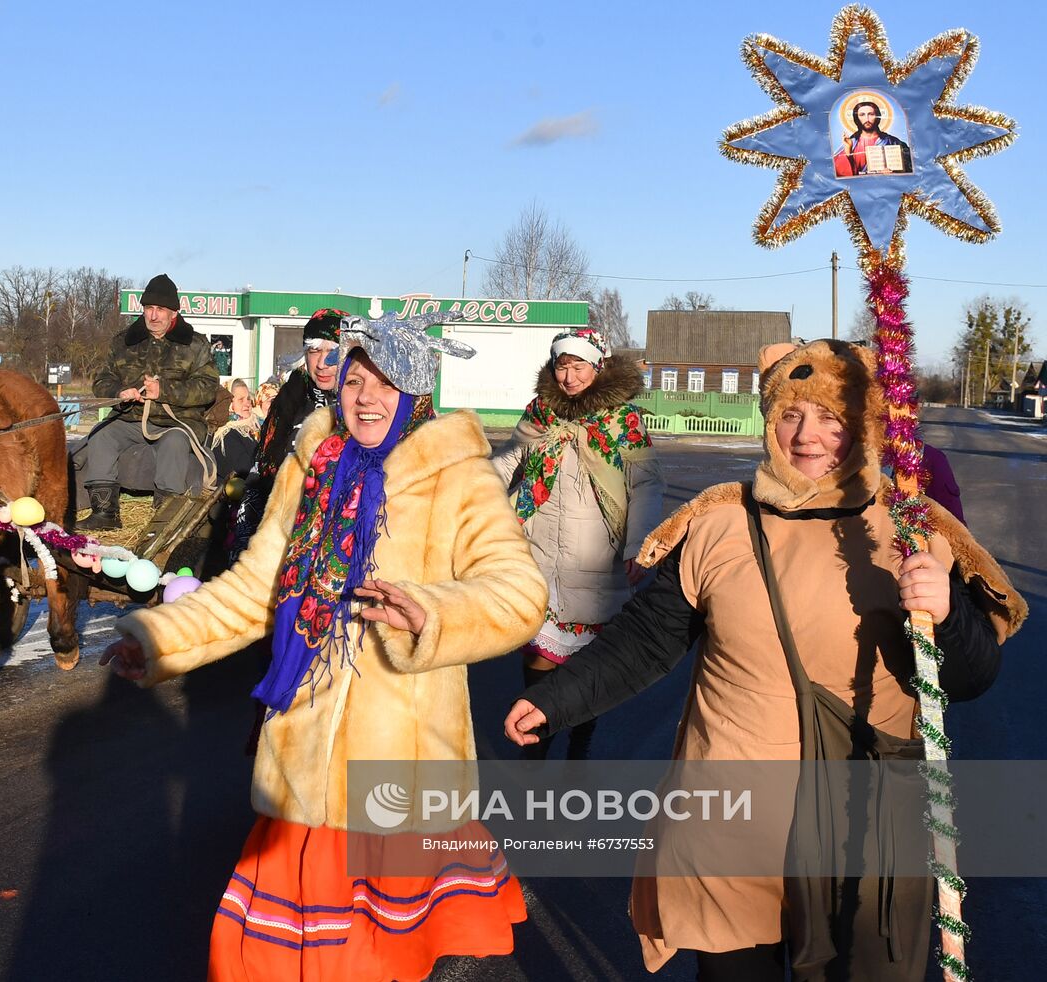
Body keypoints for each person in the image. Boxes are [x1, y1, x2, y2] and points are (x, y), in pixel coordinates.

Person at [504, 339, 1025, 980]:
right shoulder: (721, 524)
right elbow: (645, 640)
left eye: (832, 417)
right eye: (790, 414)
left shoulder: (913, 529)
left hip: (857, 827)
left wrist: (945, 613)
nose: (807, 436)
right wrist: (554, 698)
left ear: (864, 425)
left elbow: (973, 679)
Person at [102, 311, 548, 981]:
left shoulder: (457, 472)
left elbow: (518, 593)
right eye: (354, 377)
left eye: (385, 380)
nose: (365, 395)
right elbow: (258, 585)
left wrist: (431, 613)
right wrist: (158, 639)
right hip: (302, 759)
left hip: (399, 760)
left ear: (417, 391)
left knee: (378, 959)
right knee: (277, 961)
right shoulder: (314, 461)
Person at [490, 327, 665, 760]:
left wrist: (639, 546)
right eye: (562, 366)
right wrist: (472, 487)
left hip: (597, 559)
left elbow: (645, 484)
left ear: (597, 366)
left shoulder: (622, 421)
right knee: (537, 665)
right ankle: (535, 749)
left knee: (587, 670)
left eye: (578, 366)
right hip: (538, 555)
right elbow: (511, 459)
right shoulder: (540, 413)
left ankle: (579, 749)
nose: (569, 377)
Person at [78, 273, 220, 530]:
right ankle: (105, 513)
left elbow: (208, 388)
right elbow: (101, 381)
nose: (153, 315)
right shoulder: (123, 342)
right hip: (129, 418)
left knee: (175, 443)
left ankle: (162, 521)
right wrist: (120, 391)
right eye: (149, 308)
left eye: (161, 310)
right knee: (101, 435)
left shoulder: (196, 345)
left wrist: (163, 391)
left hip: (176, 422)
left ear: (174, 313)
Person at [229, 308, 345, 556]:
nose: (323, 363)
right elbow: (263, 467)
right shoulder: (289, 399)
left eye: (332, 351)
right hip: (282, 516)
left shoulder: (362, 402)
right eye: (314, 351)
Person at [833, 100, 912, 176]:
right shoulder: (850, 143)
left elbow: (910, 167)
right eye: (862, 115)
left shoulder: (893, 142)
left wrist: (894, 173)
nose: (867, 119)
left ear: (877, 116)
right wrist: (847, 151)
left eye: (871, 114)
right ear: (856, 118)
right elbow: (838, 174)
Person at [211, 379, 260, 480]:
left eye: (248, 399)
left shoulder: (253, 427)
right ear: (228, 404)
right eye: (241, 400)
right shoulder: (226, 434)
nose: (247, 403)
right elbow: (244, 469)